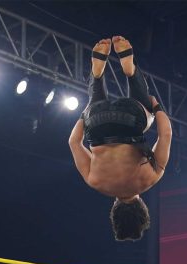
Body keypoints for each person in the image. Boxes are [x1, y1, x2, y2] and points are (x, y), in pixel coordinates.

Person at [69, 36, 172, 241]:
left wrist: (156, 107)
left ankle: (130, 70)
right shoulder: (95, 182)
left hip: (131, 120)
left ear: (142, 206)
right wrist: (85, 114)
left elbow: (166, 134)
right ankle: (97, 76)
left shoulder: (150, 178)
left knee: (148, 115)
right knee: (95, 108)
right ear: (114, 209)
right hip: (97, 123)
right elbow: (73, 141)